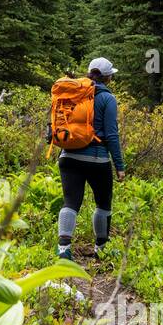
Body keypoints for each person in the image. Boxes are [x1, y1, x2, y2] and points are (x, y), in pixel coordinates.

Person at [57, 57, 125, 260]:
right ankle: (101, 249)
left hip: (68, 156)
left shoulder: (73, 92)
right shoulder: (108, 99)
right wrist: (119, 166)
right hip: (97, 159)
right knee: (103, 204)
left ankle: (63, 250)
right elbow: (112, 135)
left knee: (70, 202)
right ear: (108, 77)